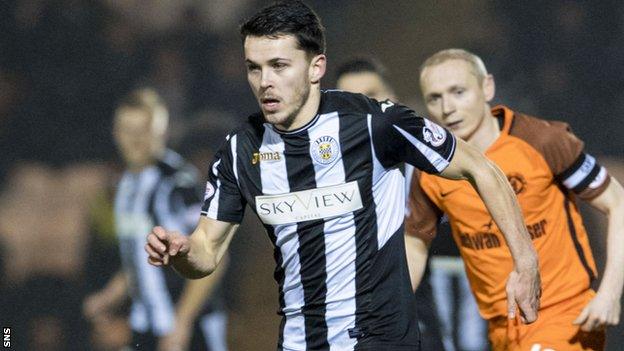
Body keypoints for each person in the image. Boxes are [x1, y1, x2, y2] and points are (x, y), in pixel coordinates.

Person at [145, 2, 541, 350]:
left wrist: (525, 263)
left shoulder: (375, 123)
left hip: (379, 337)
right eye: (254, 68)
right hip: (300, 340)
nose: (264, 82)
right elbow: (207, 251)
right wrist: (181, 253)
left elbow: (480, 167)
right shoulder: (239, 150)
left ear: (317, 67)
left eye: (279, 66)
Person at [406, 48, 624, 350]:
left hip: (563, 315)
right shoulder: (432, 168)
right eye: (435, 98)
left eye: (458, 92)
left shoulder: (541, 141)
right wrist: (392, 312)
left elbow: (618, 202)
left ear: (487, 87)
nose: (447, 108)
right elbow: (415, 242)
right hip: (500, 327)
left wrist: (610, 293)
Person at [83, 88, 227, 351]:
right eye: (128, 130)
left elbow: (214, 255)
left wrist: (182, 322)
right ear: (116, 133)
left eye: (145, 130)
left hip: (189, 329)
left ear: (162, 131)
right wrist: (107, 297)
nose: (136, 140)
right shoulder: (125, 186)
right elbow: (139, 259)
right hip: (148, 325)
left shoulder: (178, 184)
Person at [335, 57, 447, 351]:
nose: (363, 109)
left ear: (392, 101)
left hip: (432, 319)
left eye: (371, 96)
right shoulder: (327, 180)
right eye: (350, 100)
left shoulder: (436, 168)